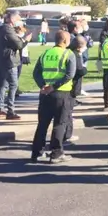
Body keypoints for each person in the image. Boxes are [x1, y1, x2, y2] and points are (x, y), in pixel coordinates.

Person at [30, 30, 76, 163]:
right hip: (61, 93)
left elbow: (36, 73)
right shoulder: (68, 54)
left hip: (45, 94)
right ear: (65, 41)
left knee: (42, 124)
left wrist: (43, 86)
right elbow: (69, 75)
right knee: (60, 123)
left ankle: (37, 152)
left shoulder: (45, 53)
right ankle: (56, 153)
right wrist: (54, 86)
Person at [0, 12, 32, 120]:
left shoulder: (2, 29)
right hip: (9, 61)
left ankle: (0, 108)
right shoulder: (8, 29)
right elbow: (18, 44)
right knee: (13, 85)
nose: (19, 21)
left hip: (3, 60)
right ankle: (10, 110)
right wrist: (26, 39)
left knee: (3, 84)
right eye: (18, 19)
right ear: (12, 19)